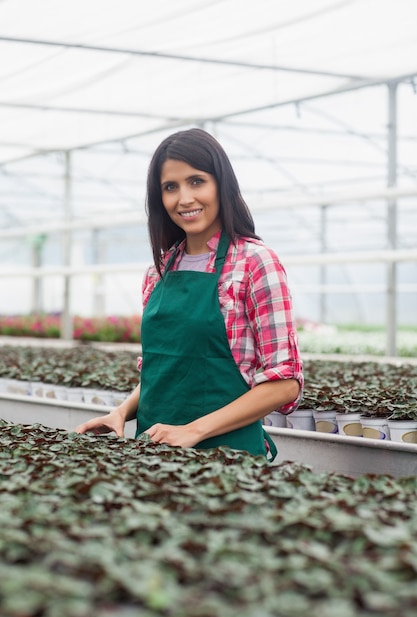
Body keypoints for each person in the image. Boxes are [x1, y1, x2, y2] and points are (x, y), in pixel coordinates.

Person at [76, 128, 303, 460]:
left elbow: (286, 382)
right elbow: (166, 368)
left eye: (196, 181)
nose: (184, 198)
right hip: (155, 451)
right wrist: (122, 412)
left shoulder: (254, 263)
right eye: (171, 187)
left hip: (228, 461)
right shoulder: (158, 271)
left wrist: (193, 430)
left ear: (220, 185)